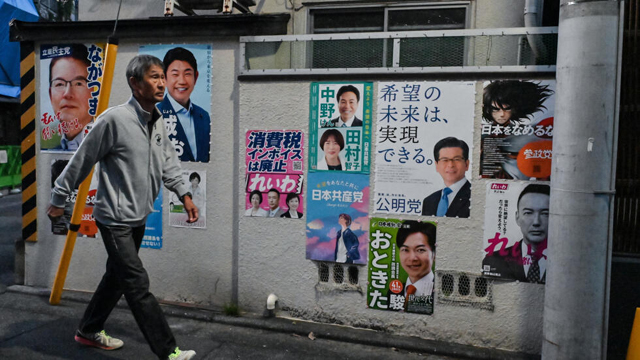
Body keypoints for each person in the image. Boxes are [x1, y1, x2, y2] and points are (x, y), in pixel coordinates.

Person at [47, 55, 197, 360]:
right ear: (134, 82)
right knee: (137, 283)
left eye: (160, 77)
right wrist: (58, 199)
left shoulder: (157, 120)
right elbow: (81, 160)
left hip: (138, 216)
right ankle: (169, 352)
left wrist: (185, 194)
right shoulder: (113, 120)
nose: (160, 83)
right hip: (114, 219)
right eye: (153, 77)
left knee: (117, 277)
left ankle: (88, 329)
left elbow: (168, 161)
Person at [482, 184, 550, 284]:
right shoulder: (494, 260)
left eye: (545, 214)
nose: (536, 222)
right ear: (517, 218)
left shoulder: (570, 262)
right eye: (528, 213)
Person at [157, 47, 211, 162]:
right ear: (164, 78)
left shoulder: (204, 116)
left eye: (187, 74)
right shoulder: (154, 116)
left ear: (195, 77)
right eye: (175, 74)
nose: (182, 81)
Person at [48, 43, 94, 150]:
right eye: (59, 84)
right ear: (50, 95)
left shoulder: (105, 149)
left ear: (95, 91)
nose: (67, 94)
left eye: (78, 83)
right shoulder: (52, 152)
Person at [421, 137, 471, 218]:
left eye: (456, 159)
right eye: (445, 160)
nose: (450, 165)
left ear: (466, 164)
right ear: (437, 165)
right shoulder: (429, 201)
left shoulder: (475, 197)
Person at [482, 80, 553, 125]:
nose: (502, 114)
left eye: (507, 109)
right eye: (496, 109)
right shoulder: (481, 132)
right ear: (488, 109)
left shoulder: (522, 131)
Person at [396, 220, 436, 298]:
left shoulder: (441, 290)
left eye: (420, 250)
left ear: (434, 254)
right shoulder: (394, 292)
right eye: (405, 250)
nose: (412, 258)